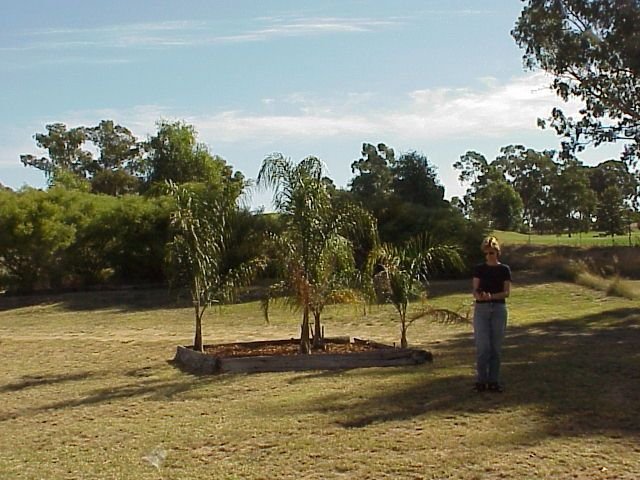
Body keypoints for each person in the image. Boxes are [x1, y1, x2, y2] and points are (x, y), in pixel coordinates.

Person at [472, 236, 511, 393]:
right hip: (481, 309)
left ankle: (494, 380)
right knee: (483, 347)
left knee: (495, 347)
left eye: (492, 253)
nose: (489, 256)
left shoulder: (504, 270)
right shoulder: (479, 269)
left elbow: (506, 292)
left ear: (497, 252)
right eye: (487, 253)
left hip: (498, 309)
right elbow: (474, 289)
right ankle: (481, 380)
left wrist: (492, 297)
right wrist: (479, 296)